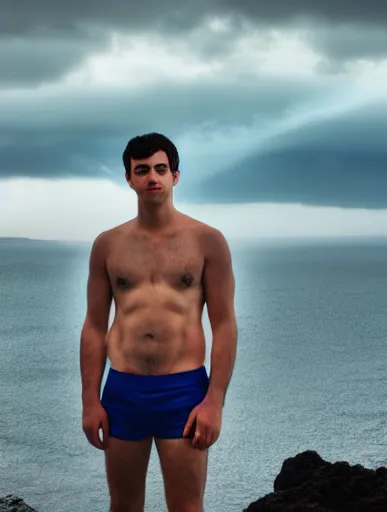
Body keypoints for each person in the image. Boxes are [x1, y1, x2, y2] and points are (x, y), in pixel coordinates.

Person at [79, 132, 238, 512]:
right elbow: (94, 326)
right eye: (142, 170)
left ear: (175, 176)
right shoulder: (108, 244)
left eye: (161, 169)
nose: (153, 177)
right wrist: (89, 400)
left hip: (183, 392)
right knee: (124, 506)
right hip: (122, 391)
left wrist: (214, 401)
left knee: (186, 507)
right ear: (129, 178)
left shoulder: (207, 241)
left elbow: (225, 325)